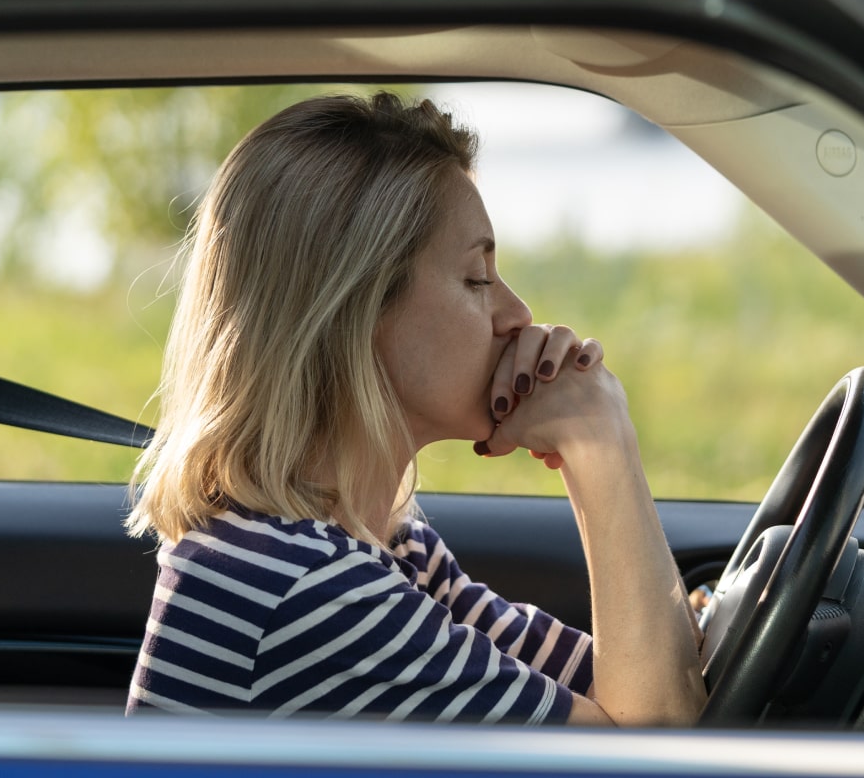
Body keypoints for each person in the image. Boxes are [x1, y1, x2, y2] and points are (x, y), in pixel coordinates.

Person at [124, 92, 705, 725]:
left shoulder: (382, 547)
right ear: (359, 311)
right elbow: (652, 747)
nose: (517, 315)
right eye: (476, 279)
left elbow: (616, 683)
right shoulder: (309, 592)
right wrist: (598, 443)